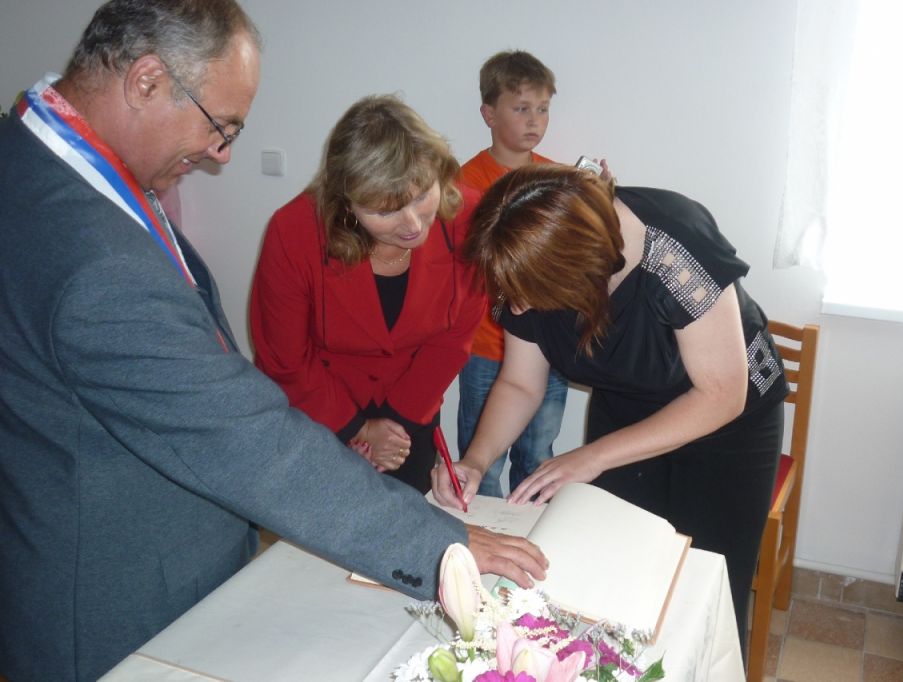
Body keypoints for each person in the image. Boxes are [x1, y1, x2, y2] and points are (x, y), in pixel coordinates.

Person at [0, 3, 544, 680]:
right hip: (117, 592)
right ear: (146, 82)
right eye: (221, 126)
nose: (222, 153)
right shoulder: (98, 260)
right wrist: (441, 545)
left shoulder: (36, 163)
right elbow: (242, 435)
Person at [433, 165, 789, 662]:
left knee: (708, 590)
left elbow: (723, 394)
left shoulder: (675, 246)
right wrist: (476, 459)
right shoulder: (525, 261)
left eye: (529, 294)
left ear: (581, 270)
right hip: (624, 414)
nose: (515, 307)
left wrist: (593, 457)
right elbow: (520, 383)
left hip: (726, 422)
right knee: (616, 578)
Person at [250, 95, 485, 494]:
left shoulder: (469, 219)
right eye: (385, 211)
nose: (413, 225)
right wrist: (357, 428)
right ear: (346, 204)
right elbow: (284, 357)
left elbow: (455, 337)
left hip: (411, 408)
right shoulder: (294, 232)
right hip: (320, 407)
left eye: (422, 196)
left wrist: (394, 428)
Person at [457, 50, 570, 497]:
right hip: (487, 347)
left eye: (542, 109)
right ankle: (480, 535)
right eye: (521, 108)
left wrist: (599, 200)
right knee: (481, 464)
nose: (534, 120)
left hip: (548, 347)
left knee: (538, 458)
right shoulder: (465, 184)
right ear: (489, 114)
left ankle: (531, 534)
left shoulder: (558, 179)